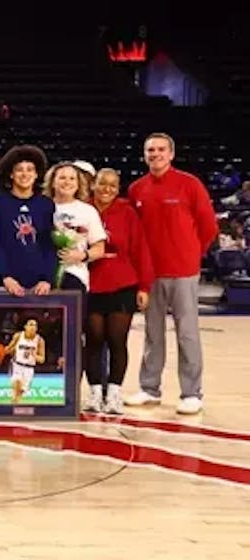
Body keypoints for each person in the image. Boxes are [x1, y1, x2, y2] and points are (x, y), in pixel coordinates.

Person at [125, 133, 218, 415]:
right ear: (144, 155)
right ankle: (150, 388)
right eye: (150, 150)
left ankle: (192, 392)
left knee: (187, 333)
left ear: (171, 153)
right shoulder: (136, 189)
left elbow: (209, 227)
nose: (155, 154)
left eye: (161, 149)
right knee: (152, 334)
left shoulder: (190, 184)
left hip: (183, 272)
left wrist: (191, 254)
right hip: (150, 274)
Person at [86, 168, 153, 414]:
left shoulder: (127, 213)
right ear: (93, 184)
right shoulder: (83, 209)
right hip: (90, 283)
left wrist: (144, 286)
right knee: (93, 339)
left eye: (113, 185)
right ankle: (94, 393)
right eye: (103, 183)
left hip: (122, 283)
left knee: (117, 340)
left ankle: (114, 393)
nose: (107, 189)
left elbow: (140, 250)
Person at [0, 145, 55, 297]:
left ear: (37, 174)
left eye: (30, 169)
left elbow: (49, 245)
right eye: (19, 169)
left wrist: (47, 279)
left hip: (39, 284)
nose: (25, 174)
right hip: (5, 282)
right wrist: (6, 276)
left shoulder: (46, 204)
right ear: (11, 174)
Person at [43, 161, 106, 292]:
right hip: (42, 277)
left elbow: (99, 249)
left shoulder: (88, 211)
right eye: (62, 178)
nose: (67, 182)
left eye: (72, 178)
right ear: (52, 182)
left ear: (78, 184)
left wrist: (81, 255)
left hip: (75, 276)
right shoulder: (40, 207)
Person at [5, 317, 45, 404]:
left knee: (19, 393)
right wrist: (5, 350)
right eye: (30, 324)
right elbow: (9, 349)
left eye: (35, 325)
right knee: (17, 385)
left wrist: (35, 356)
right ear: (25, 327)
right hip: (17, 365)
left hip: (29, 368)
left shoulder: (40, 340)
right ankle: (13, 406)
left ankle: (14, 405)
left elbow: (42, 359)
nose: (33, 327)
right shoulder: (18, 336)